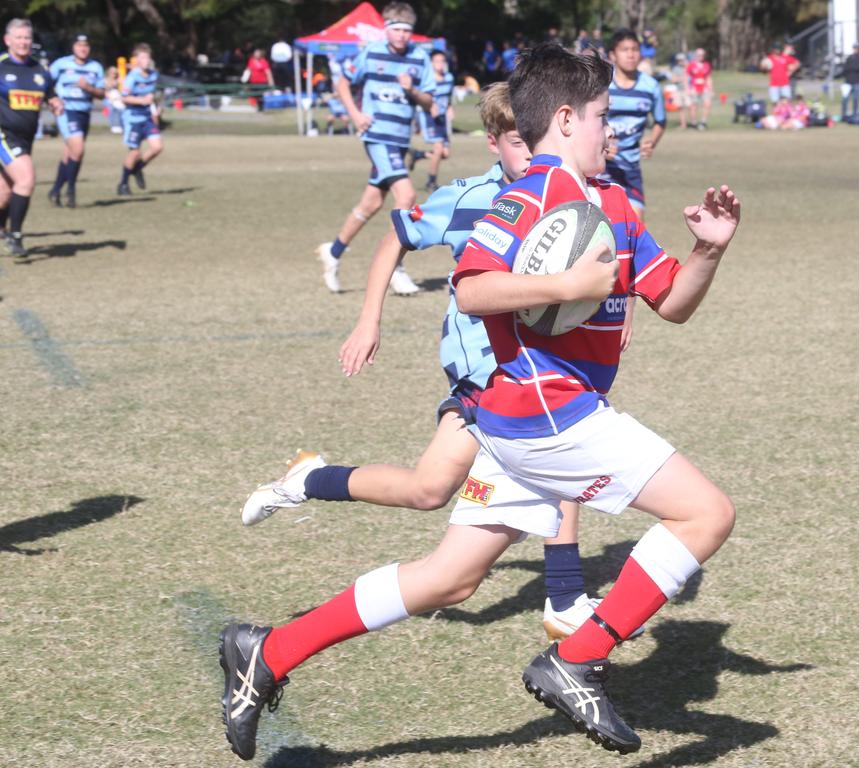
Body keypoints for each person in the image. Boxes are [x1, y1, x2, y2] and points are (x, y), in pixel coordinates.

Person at [219, 42, 739, 761]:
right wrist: (566, 288)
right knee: (707, 512)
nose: (611, 131)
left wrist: (708, 251)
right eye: (599, 117)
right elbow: (471, 287)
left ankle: (266, 651)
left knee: (450, 579)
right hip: (546, 414)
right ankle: (577, 658)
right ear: (562, 120)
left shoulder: (615, 203)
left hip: (522, 425)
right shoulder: (527, 197)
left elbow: (672, 302)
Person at [243, 82, 628, 646]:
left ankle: (564, 597)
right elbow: (395, 237)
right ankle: (310, 479)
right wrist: (368, 319)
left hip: (536, 377)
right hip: (482, 380)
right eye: (520, 144)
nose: (533, 156)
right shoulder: (470, 199)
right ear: (494, 142)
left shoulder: (571, 202)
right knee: (432, 491)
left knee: (540, 461)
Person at [315, 2, 436, 297]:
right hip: (377, 136)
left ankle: (333, 251)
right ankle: (396, 267)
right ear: (386, 29)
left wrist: (412, 91)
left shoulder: (420, 58)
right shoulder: (371, 52)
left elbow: (429, 102)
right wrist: (356, 115)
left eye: (407, 31)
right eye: (396, 29)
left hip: (400, 139)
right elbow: (343, 83)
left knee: (371, 203)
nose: (402, 36)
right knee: (406, 195)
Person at [0, 19, 63, 258]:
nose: (24, 42)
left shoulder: (40, 70)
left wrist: (56, 104)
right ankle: (15, 237)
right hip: (3, 135)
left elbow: (51, 95)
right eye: (19, 37)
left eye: (27, 37)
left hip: (25, 139)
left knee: (5, 193)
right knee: (26, 179)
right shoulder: (1, 66)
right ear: (8, 40)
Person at [601, 29, 666, 221]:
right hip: (602, 168)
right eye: (624, 49)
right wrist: (601, 146)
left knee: (636, 228)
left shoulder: (651, 86)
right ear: (612, 54)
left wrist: (652, 141)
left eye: (635, 49)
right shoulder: (602, 86)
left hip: (631, 168)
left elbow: (660, 122)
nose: (631, 54)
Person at [47, 34, 105, 208]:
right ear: (73, 47)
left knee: (71, 153)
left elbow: (102, 93)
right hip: (67, 111)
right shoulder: (61, 64)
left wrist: (88, 88)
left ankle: (55, 190)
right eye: (79, 45)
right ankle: (70, 190)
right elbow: (45, 84)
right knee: (78, 149)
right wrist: (53, 100)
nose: (83, 48)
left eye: (86, 45)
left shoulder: (96, 67)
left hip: (84, 113)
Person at [117, 43, 162, 196]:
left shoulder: (153, 75)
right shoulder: (132, 77)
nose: (146, 60)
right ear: (136, 60)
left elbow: (153, 94)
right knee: (135, 152)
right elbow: (124, 98)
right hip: (132, 118)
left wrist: (156, 104)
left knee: (157, 147)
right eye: (142, 57)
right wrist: (142, 100)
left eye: (147, 57)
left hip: (147, 117)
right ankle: (123, 184)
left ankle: (137, 169)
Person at [410, 49, 454, 192]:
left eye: (442, 61)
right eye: (437, 61)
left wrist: (449, 108)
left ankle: (418, 154)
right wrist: (429, 105)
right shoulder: (428, 81)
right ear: (431, 63)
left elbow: (448, 97)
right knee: (438, 148)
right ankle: (431, 182)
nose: (440, 64)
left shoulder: (449, 78)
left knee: (445, 154)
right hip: (428, 116)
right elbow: (420, 97)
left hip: (441, 118)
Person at [685, 47, 713, 130]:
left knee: (707, 104)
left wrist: (711, 88)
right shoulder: (691, 65)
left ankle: (703, 122)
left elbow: (708, 77)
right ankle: (694, 123)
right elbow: (686, 77)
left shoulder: (707, 65)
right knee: (693, 106)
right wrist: (688, 89)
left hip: (704, 87)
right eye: (699, 55)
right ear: (695, 55)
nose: (701, 56)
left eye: (702, 55)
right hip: (694, 87)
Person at [840, 44, 859, 120]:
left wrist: (852, 68)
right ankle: (844, 115)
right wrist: (852, 68)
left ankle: (855, 114)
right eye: (854, 48)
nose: (855, 50)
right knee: (845, 99)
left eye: (856, 48)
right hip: (848, 82)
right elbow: (845, 69)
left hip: (856, 82)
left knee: (855, 99)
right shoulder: (849, 58)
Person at [103, 66, 124, 133]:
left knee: (122, 109)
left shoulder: (118, 80)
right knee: (110, 107)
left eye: (115, 73)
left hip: (117, 98)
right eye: (112, 73)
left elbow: (123, 90)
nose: (114, 74)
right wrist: (111, 99)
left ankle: (121, 126)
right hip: (108, 99)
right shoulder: (104, 80)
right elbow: (104, 92)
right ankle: (113, 126)